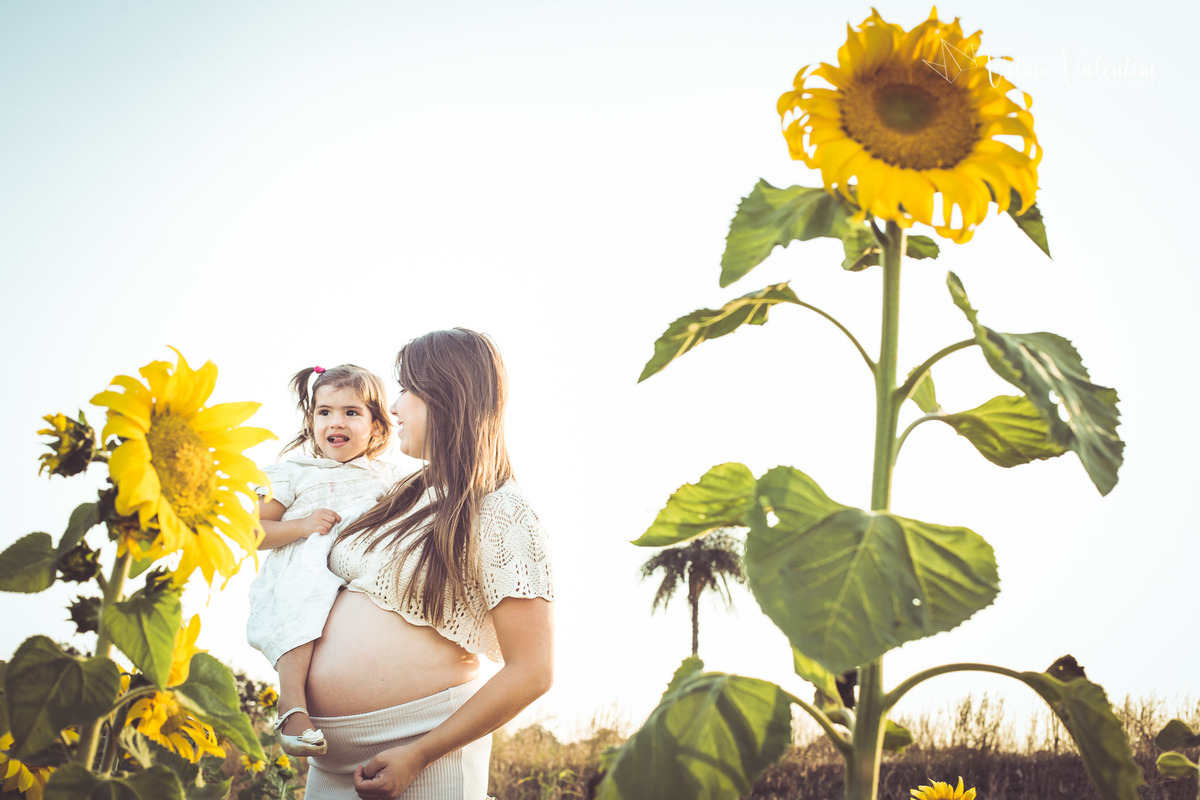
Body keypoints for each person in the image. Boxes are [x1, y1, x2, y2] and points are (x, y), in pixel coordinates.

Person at [304, 328, 554, 800]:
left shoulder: (501, 508)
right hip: (330, 771)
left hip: (421, 770)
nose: (393, 408)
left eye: (405, 390)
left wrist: (418, 754)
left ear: (446, 393)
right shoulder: (401, 495)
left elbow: (533, 670)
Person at [246, 364, 400, 757]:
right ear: (311, 419)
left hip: (362, 574)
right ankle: (292, 705)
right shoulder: (296, 472)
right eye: (325, 411)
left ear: (376, 426)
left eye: (352, 412)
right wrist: (301, 526)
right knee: (309, 589)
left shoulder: (386, 478)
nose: (337, 421)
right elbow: (253, 532)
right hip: (306, 567)